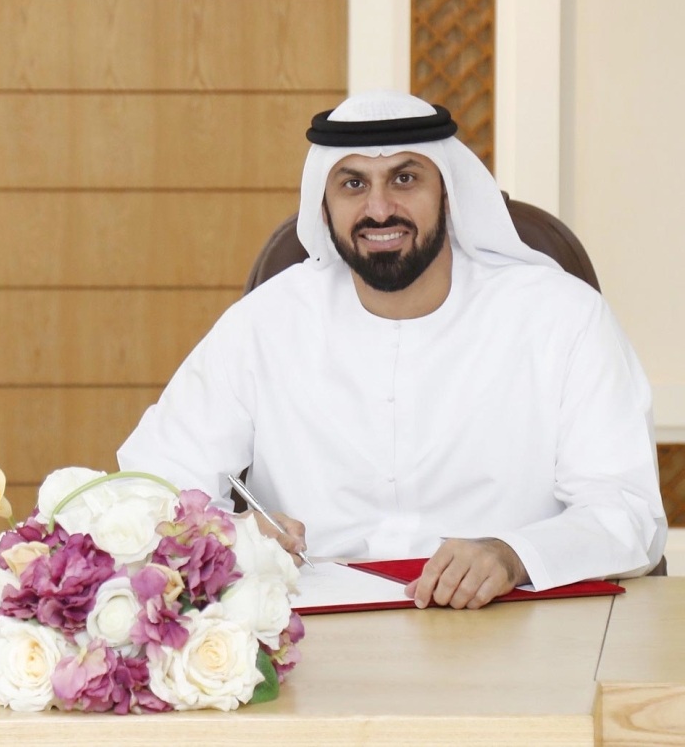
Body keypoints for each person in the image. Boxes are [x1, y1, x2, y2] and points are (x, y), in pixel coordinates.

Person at [117, 91, 666, 610]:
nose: (379, 209)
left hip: (513, 621)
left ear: (447, 193)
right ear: (324, 206)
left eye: (405, 178)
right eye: (353, 184)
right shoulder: (263, 324)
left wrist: (513, 555)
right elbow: (149, 486)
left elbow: (627, 510)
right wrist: (234, 534)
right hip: (311, 636)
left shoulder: (561, 316)